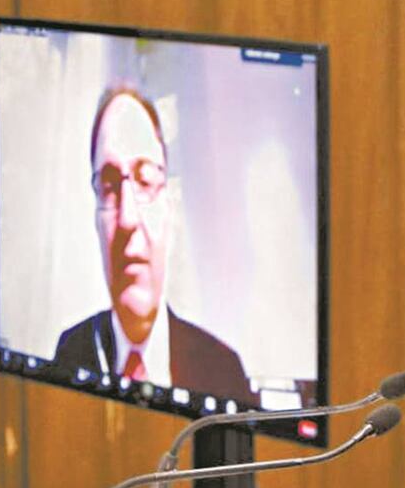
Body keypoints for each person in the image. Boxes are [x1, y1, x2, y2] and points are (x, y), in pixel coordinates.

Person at [54, 86, 255, 405]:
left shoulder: (223, 373)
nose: (127, 218)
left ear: (169, 208)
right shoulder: (70, 353)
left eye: (145, 180)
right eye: (109, 186)